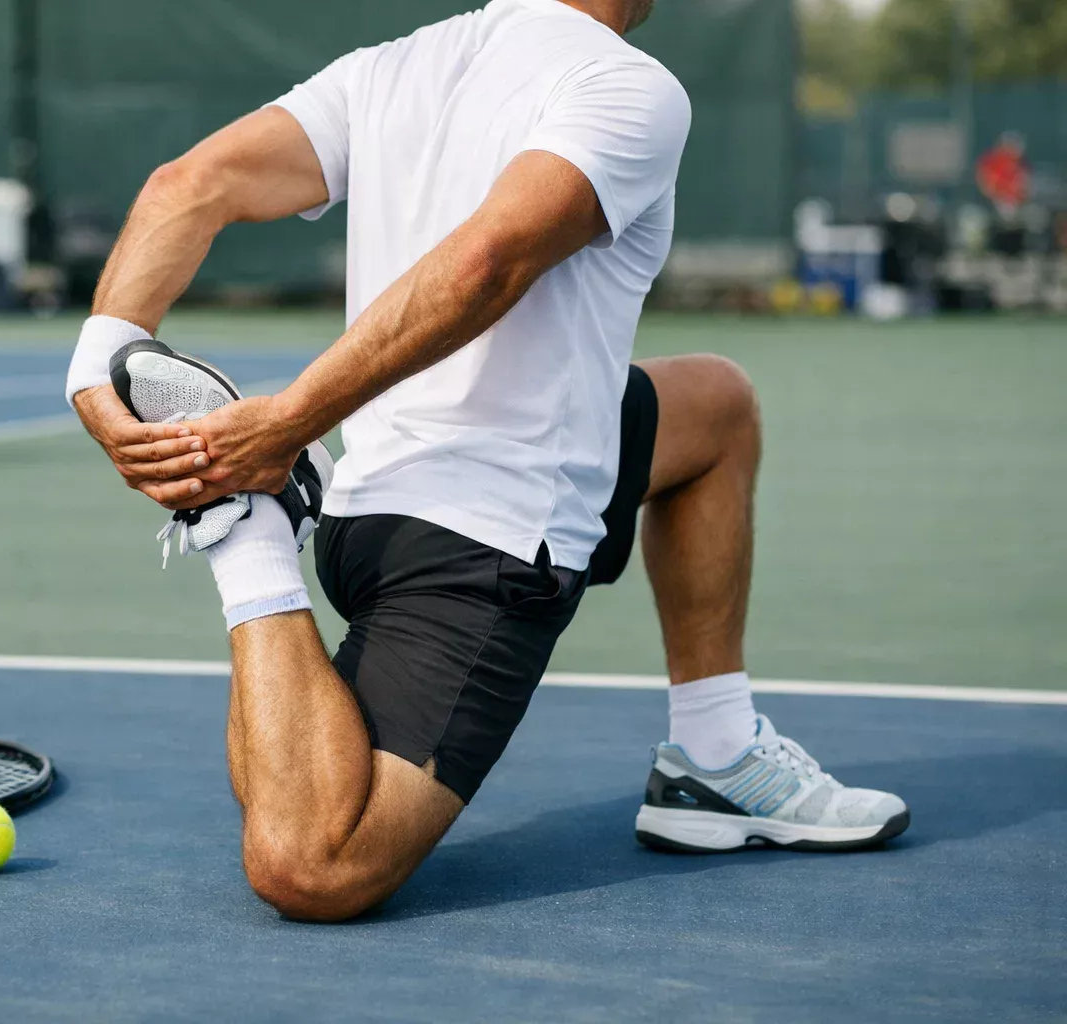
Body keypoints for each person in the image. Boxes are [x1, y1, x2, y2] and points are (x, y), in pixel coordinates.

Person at [66, 0, 909, 922]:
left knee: (717, 409)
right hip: (481, 545)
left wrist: (91, 366)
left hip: (381, 497)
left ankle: (713, 756)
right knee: (312, 865)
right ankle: (246, 530)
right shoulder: (626, 86)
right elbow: (488, 264)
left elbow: (188, 184)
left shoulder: (390, 69)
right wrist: (280, 431)